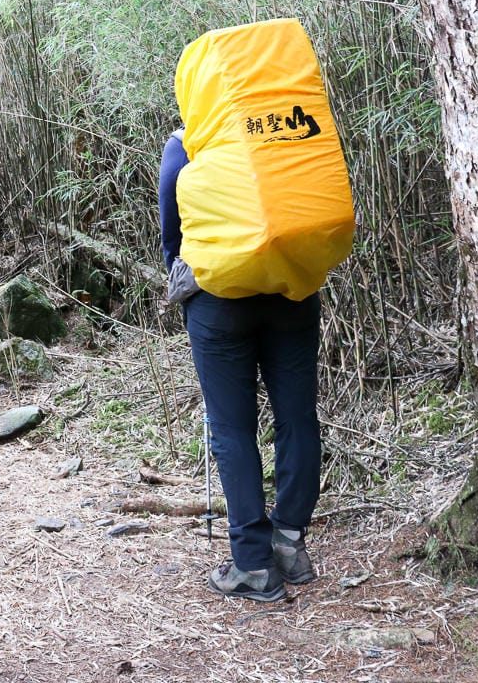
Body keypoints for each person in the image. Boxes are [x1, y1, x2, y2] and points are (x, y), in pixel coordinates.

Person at [158, 128, 320, 603]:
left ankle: (252, 564)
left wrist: (190, 281)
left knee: (231, 428)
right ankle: (290, 544)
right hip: (291, 288)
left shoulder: (187, 141)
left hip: (218, 301)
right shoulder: (285, 127)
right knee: (297, 417)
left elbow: (173, 232)